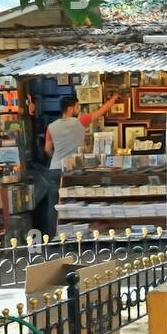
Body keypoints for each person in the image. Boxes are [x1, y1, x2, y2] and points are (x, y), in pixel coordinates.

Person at [41, 91, 119, 237]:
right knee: (79, 202)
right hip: (72, 170)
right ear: (70, 108)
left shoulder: (51, 127)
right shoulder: (81, 121)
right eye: (77, 107)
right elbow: (102, 110)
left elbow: (47, 149)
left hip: (54, 169)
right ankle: (78, 233)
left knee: (54, 205)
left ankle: (52, 237)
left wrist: (57, 157)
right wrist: (114, 98)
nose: (79, 110)